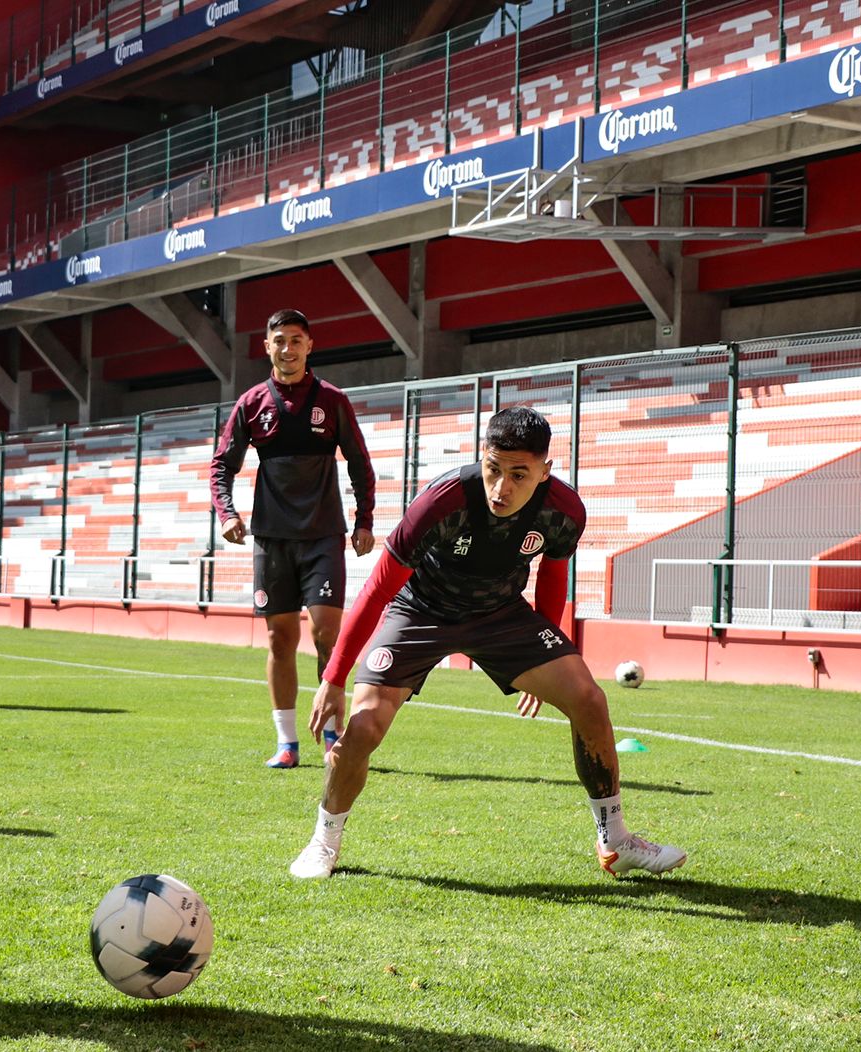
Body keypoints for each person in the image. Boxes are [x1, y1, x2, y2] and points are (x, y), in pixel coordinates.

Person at [290, 407, 687, 880]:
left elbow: (552, 580)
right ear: (483, 457)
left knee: (589, 698)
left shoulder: (564, 512)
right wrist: (334, 678)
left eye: (519, 475)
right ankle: (324, 841)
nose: (501, 488)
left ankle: (616, 841)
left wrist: (546, 655)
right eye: (494, 469)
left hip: (500, 613)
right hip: (421, 611)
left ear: (545, 471)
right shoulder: (441, 501)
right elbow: (378, 590)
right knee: (363, 728)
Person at [210, 308, 377, 769]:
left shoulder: (332, 400)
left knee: (327, 632)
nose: (288, 348)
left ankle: (332, 735)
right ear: (267, 347)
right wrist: (227, 514)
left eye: (296, 340)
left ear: (310, 345)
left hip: (324, 533)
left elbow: (359, 462)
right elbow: (222, 464)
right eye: (279, 340)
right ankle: (287, 743)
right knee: (279, 639)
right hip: (271, 537)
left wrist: (365, 519)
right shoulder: (252, 403)